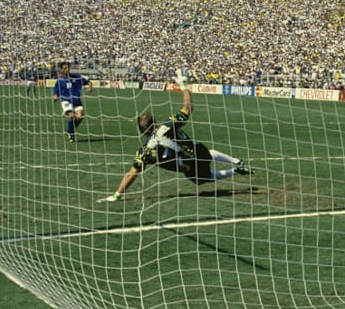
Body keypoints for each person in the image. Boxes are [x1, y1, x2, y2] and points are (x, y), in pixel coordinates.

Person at [98, 70, 253, 203]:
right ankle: (235, 161)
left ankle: (235, 170)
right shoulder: (168, 124)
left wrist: (117, 194)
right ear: (155, 121)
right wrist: (184, 85)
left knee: (203, 179)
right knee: (206, 153)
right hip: (199, 151)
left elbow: (132, 173)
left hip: (189, 168)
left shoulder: (145, 151)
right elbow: (188, 107)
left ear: (141, 131)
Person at [52, 61, 92, 143]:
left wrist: (90, 87)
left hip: (77, 101)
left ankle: (70, 131)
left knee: (80, 117)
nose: (67, 70)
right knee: (71, 116)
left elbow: (88, 81)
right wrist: (55, 96)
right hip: (66, 101)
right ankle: (71, 133)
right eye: (65, 68)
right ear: (61, 70)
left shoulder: (76, 77)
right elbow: (56, 91)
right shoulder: (59, 81)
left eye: (68, 68)